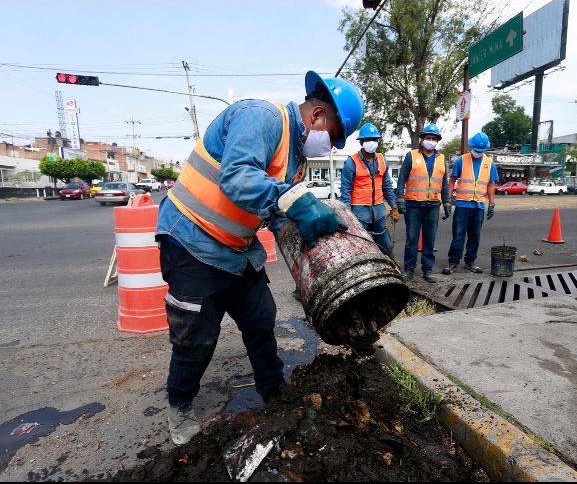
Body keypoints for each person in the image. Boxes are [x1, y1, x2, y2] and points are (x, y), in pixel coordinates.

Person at [155, 71, 364, 445]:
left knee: (261, 319)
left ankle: (273, 391)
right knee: (197, 336)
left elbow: (274, 209)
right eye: (333, 136)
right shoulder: (261, 117)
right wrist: (298, 203)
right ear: (317, 115)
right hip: (192, 240)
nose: (331, 147)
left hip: (238, 250)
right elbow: (237, 178)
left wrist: (312, 231)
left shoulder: (295, 158)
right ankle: (180, 404)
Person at [396, 124, 450, 283]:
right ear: (422, 139)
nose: (431, 141)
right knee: (412, 239)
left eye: (434, 139)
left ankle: (428, 269)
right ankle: (409, 269)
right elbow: (401, 180)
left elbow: (444, 184)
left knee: (429, 239)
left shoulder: (441, 159)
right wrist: (400, 200)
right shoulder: (411, 156)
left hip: (433, 205)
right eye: (428, 138)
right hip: (413, 204)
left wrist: (447, 203)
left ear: (437, 141)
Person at [442, 132, 499, 275]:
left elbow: (491, 184)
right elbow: (452, 181)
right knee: (458, 235)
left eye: (481, 151)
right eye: (476, 150)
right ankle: (453, 262)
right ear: (471, 147)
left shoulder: (489, 163)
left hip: (479, 206)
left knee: (475, 236)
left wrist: (491, 203)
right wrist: (448, 201)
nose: (478, 153)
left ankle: (470, 262)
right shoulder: (461, 160)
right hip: (462, 205)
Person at [340, 122, 399, 255]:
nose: (371, 142)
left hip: (379, 212)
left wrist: (394, 207)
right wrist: (347, 216)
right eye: (368, 140)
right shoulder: (351, 162)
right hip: (359, 213)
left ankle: (388, 270)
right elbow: (346, 192)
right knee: (361, 249)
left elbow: (387, 186)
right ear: (361, 142)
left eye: (374, 139)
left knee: (386, 247)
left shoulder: (382, 160)